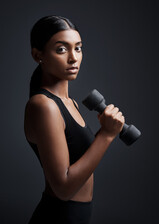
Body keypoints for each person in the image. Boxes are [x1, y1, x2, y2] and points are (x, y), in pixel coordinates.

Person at [24, 15, 125, 224]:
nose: (73, 57)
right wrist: (106, 135)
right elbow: (63, 188)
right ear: (38, 55)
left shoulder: (71, 103)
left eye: (78, 48)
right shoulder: (44, 106)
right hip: (58, 216)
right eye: (61, 49)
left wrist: (105, 132)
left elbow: (79, 161)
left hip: (78, 215)